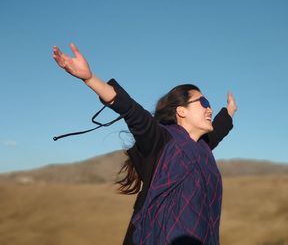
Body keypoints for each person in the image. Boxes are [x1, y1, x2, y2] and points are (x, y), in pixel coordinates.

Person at [53, 43, 237, 245]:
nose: (208, 109)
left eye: (209, 105)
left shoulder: (202, 148)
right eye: (203, 103)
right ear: (181, 111)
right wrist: (89, 78)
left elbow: (219, 128)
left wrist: (229, 110)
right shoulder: (160, 141)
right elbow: (130, 109)